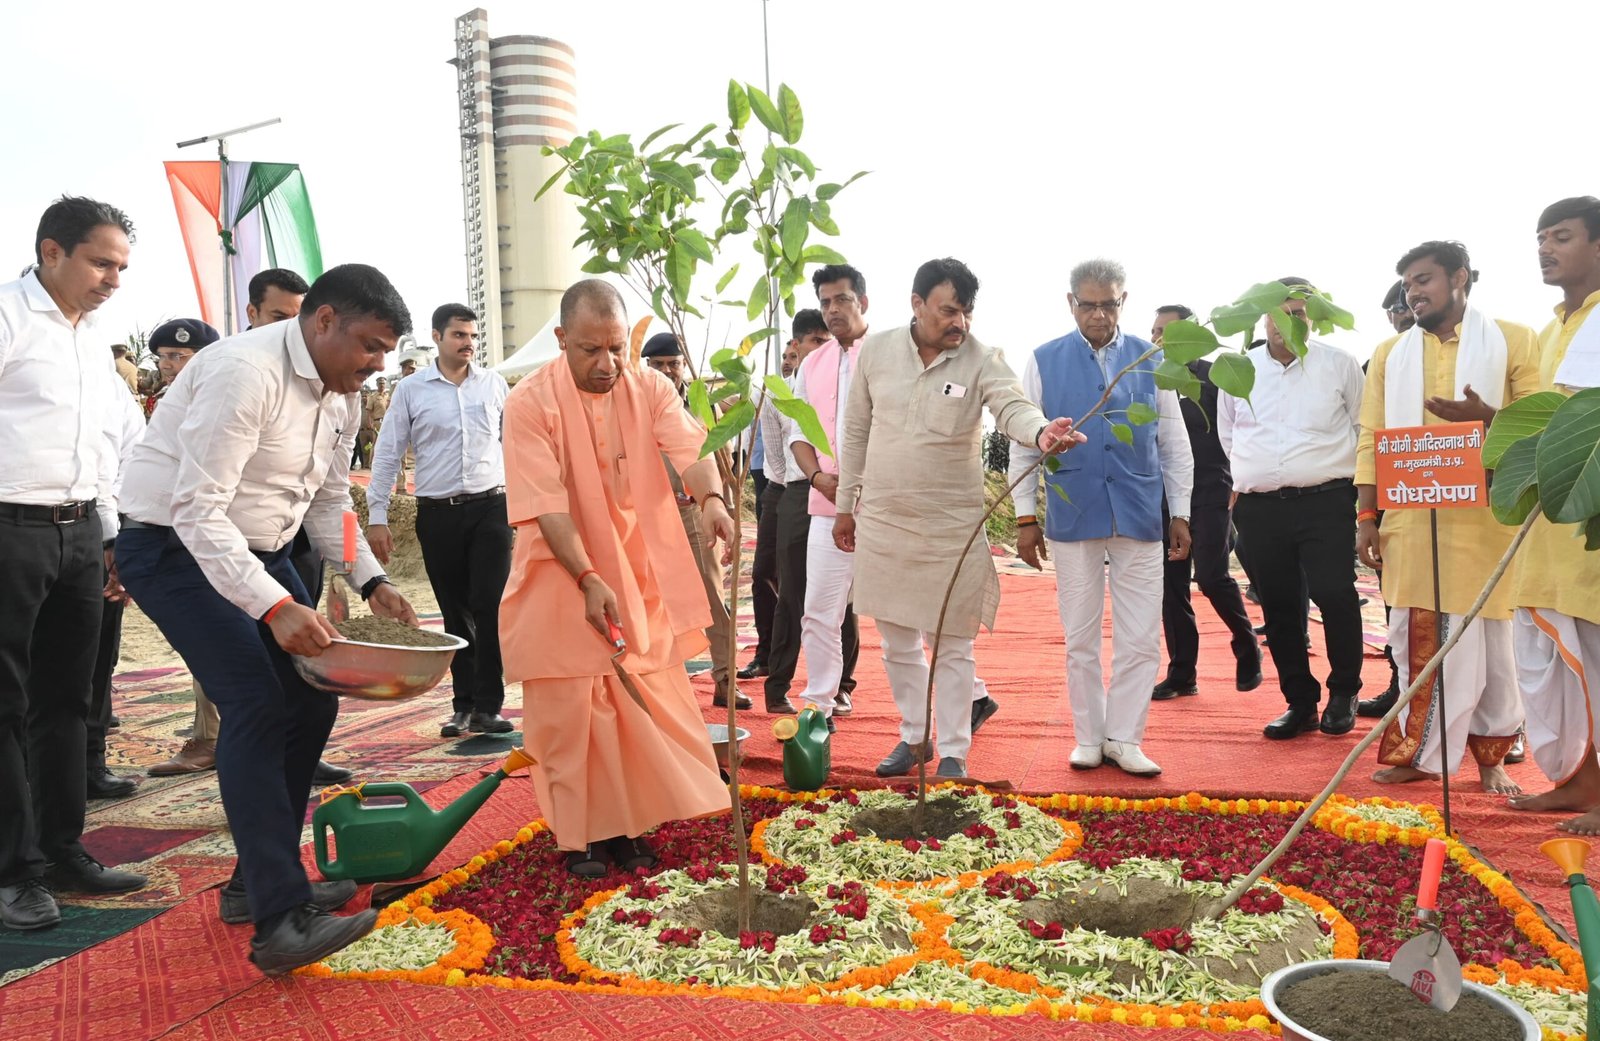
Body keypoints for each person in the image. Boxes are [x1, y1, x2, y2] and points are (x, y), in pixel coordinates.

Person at [116, 263, 418, 972]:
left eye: (385, 353)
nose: (376, 367)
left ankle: (257, 879)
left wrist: (371, 581)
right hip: (173, 548)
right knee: (254, 701)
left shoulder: (341, 393)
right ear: (322, 321)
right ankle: (282, 920)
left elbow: (324, 502)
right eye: (370, 346)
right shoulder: (242, 373)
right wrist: (277, 606)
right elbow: (196, 510)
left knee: (312, 695)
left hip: (260, 546)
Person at [499, 279, 733, 877]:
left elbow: (689, 445)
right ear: (560, 340)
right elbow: (546, 504)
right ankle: (578, 837)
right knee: (572, 710)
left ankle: (628, 827)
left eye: (616, 350)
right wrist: (586, 577)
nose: (606, 365)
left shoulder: (649, 386)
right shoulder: (529, 402)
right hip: (560, 569)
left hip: (632, 567)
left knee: (636, 699)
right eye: (589, 351)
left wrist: (709, 500)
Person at [837, 259, 1081, 779]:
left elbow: (1012, 406)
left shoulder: (981, 359)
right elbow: (855, 430)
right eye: (949, 311)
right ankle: (913, 737)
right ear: (916, 304)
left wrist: (1040, 433)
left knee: (951, 642)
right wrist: (844, 506)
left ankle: (953, 753)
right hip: (883, 520)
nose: (960, 324)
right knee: (898, 641)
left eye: (966, 313)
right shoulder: (876, 352)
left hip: (951, 527)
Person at [0, 196, 149, 931]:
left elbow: (118, 438)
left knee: (69, 698)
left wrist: (115, 531)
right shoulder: (8, 318)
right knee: (6, 701)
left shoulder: (95, 339)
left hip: (80, 530)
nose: (113, 279)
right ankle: (13, 869)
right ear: (51, 252)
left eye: (121, 266)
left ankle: (62, 846)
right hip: (7, 527)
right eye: (101, 262)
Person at [1357, 242, 1537, 793]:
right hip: (1413, 524)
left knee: (1494, 649)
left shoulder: (1513, 339)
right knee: (1421, 643)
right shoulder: (1390, 354)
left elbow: (1539, 423)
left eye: (1424, 279)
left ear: (1461, 277)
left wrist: (1488, 419)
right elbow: (1372, 436)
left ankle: (1491, 757)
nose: (1413, 291)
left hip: (1489, 524)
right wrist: (1366, 514)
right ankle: (1423, 754)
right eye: (1408, 283)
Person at [1011, 258, 1193, 777]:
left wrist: (1178, 511)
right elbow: (1025, 442)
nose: (1098, 314)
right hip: (1074, 515)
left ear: (1123, 301)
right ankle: (1089, 737)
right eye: (1088, 304)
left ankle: (1124, 738)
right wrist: (1026, 517)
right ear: (1071, 303)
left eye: (1107, 304)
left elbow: (1174, 442)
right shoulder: (1044, 360)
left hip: (1139, 514)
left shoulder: (1149, 359)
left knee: (1140, 636)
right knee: (1080, 636)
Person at [1218, 278, 1367, 741]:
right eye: (1278, 312)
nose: (1287, 321)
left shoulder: (1339, 365)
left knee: (1336, 595)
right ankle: (1299, 702)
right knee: (1280, 608)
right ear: (1263, 316)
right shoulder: (1238, 369)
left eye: (1298, 313)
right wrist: (1252, 477)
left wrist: (1366, 508)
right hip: (1260, 509)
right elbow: (1230, 434)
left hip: (1326, 500)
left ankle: (1344, 692)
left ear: (1311, 318)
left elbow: (1364, 431)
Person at [368, 304, 515, 736]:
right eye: (459, 336)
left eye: (472, 337)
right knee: (456, 611)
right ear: (437, 337)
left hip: (492, 507)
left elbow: (512, 446)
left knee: (489, 606)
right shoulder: (411, 390)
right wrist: (377, 515)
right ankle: (463, 704)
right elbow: (388, 453)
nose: (468, 344)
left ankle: (490, 706)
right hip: (437, 513)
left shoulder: (494, 385)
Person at [1503, 198, 1600, 829]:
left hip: (1589, 530)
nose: (1545, 248)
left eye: (1560, 236)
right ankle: (1578, 782)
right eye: (1540, 238)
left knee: (1595, 659)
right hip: (1547, 529)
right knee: (1551, 668)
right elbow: (1547, 421)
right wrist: (1489, 420)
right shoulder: (1551, 329)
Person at [1148, 305, 1261, 700]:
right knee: (1170, 586)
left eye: (1166, 330)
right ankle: (1182, 673)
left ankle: (1246, 641)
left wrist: (1241, 479)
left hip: (1213, 490)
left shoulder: (1218, 376)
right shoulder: (1148, 379)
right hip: (1162, 494)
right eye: (1154, 330)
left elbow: (1243, 431)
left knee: (1212, 576)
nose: (1157, 338)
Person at [786, 265, 881, 726]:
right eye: (825, 302)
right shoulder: (813, 364)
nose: (832, 310)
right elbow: (798, 434)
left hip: (884, 507)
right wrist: (817, 477)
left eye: (841, 299)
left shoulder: (888, 355)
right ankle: (820, 703)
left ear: (862, 300)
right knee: (819, 610)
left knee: (911, 610)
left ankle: (968, 698)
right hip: (826, 505)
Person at [762, 310, 863, 715]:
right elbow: (777, 448)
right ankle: (781, 683)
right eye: (813, 341)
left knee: (843, 600)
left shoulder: (859, 365)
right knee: (797, 595)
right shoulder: (776, 393)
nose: (821, 347)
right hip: (797, 491)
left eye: (826, 340)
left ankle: (839, 687)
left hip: (852, 495)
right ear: (795, 346)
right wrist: (807, 477)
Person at [640, 331, 747, 709]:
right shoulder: (638, 403)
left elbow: (723, 463)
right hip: (651, 515)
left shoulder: (704, 403)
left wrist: (725, 512)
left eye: (674, 363)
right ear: (647, 367)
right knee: (654, 601)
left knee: (713, 599)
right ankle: (661, 687)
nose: (668, 371)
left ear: (684, 364)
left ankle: (726, 680)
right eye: (659, 365)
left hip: (697, 511)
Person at [86, 367, 150, 800]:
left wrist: (119, 533)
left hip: (100, 531)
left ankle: (90, 763)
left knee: (96, 658)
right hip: (21, 530)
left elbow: (134, 459)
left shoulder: (107, 383)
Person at [1357, 281, 1417, 720]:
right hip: (1398, 510)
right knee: (1397, 605)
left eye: (1407, 305)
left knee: (1479, 620)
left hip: (1466, 509)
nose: (1402, 315)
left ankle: (1501, 721)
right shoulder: (1381, 360)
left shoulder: (1482, 351)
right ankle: (1401, 690)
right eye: (1395, 310)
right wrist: (1366, 513)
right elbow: (1369, 441)